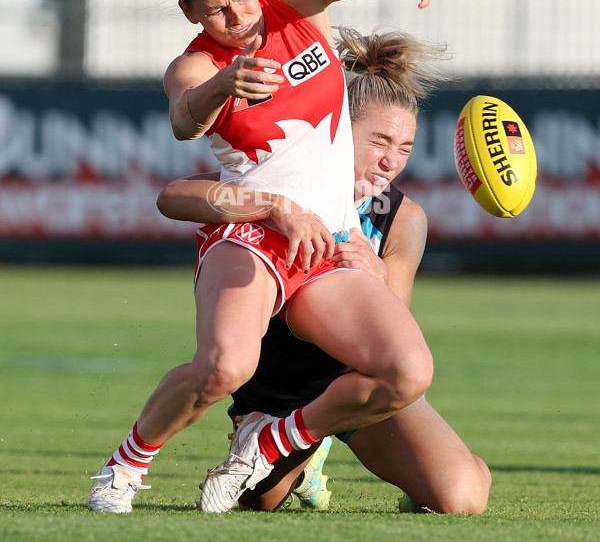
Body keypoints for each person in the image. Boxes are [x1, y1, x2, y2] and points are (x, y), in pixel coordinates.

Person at [53, 0, 483, 514]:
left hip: (324, 241)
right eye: (215, 11)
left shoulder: (299, 0)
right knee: (224, 365)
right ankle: (125, 467)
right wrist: (223, 84)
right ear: (190, 15)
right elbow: (184, 120)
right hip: (251, 235)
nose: (236, 18)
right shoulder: (197, 65)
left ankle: (273, 440)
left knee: (407, 371)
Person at [157, 25, 491, 514]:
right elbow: (173, 195)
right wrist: (269, 206)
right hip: (278, 395)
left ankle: (415, 459)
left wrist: (373, 273)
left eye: (405, 147)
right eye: (379, 140)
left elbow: (394, 333)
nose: (391, 161)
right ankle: (277, 445)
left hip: (352, 396)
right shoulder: (281, 179)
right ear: (335, 126)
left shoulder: (404, 219)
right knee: (259, 503)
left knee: (462, 498)